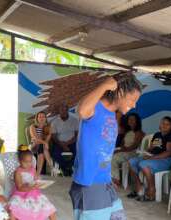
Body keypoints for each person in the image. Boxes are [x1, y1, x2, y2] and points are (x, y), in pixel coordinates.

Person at [70, 72, 142, 220]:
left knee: (118, 216)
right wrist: (104, 85)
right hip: (90, 182)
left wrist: (108, 177)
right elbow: (82, 111)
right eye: (133, 99)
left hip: (103, 181)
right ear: (121, 92)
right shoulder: (96, 107)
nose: (134, 104)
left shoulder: (111, 114)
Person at [127, 116, 171, 201]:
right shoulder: (157, 134)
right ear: (159, 125)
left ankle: (152, 190)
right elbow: (152, 148)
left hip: (166, 160)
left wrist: (152, 157)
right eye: (162, 123)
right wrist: (146, 151)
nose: (164, 125)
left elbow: (169, 152)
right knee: (131, 161)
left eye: (167, 124)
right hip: (153, 157)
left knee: (144, 164)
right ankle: (139, 186)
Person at [8, 145, 56, 220]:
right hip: (21, 194)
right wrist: (30, 187)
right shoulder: (18, 172)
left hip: (34, 193)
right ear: (19, 161)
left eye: (30, 161)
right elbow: (20, 187)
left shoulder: (32, 169)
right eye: (25, 162)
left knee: (49, 207)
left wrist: (38, 181)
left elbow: (35, 178)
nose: (28, 164)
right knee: (14, 209)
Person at [111, 112, 144, 186]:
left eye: (133, 120)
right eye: (129, 119)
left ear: (137, 121)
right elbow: (123, 144)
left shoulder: (139, 133)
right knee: (108, 155)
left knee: (114, 158)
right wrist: (119, 149)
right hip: (125, 151)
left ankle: (116, 180)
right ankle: (109, 178)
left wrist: (120, 150)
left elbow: (134, 146)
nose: (131, 121)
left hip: (133, 153)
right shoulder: (128, 132)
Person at [51, 102, 78, 175]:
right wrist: (62, 145)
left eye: (65, 110)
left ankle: (69, 167)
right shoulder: (54, 122)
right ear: (59, 111)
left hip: (71, 142)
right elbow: (54, 136)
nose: (63, 112)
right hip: (59, 143)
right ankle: (64, 168)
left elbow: (77, 135)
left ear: (67, 110)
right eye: (61, 110)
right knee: (55, 154)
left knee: (77, 153)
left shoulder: (74, 120)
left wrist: (67, 143)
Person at [29, 111, 55, 177]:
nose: (41, 118)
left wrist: (44, 142)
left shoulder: (49, 127)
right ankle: (52, 167)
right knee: (42, 146)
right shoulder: (33, 126)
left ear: (46, 118)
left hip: (44, 146)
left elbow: (48, 139)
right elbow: (35, 138)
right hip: (34, 145)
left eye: (43, 116)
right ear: (37, 118)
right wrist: (44, 142)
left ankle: (38, 173)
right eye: (40, 117)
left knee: (42, 147)